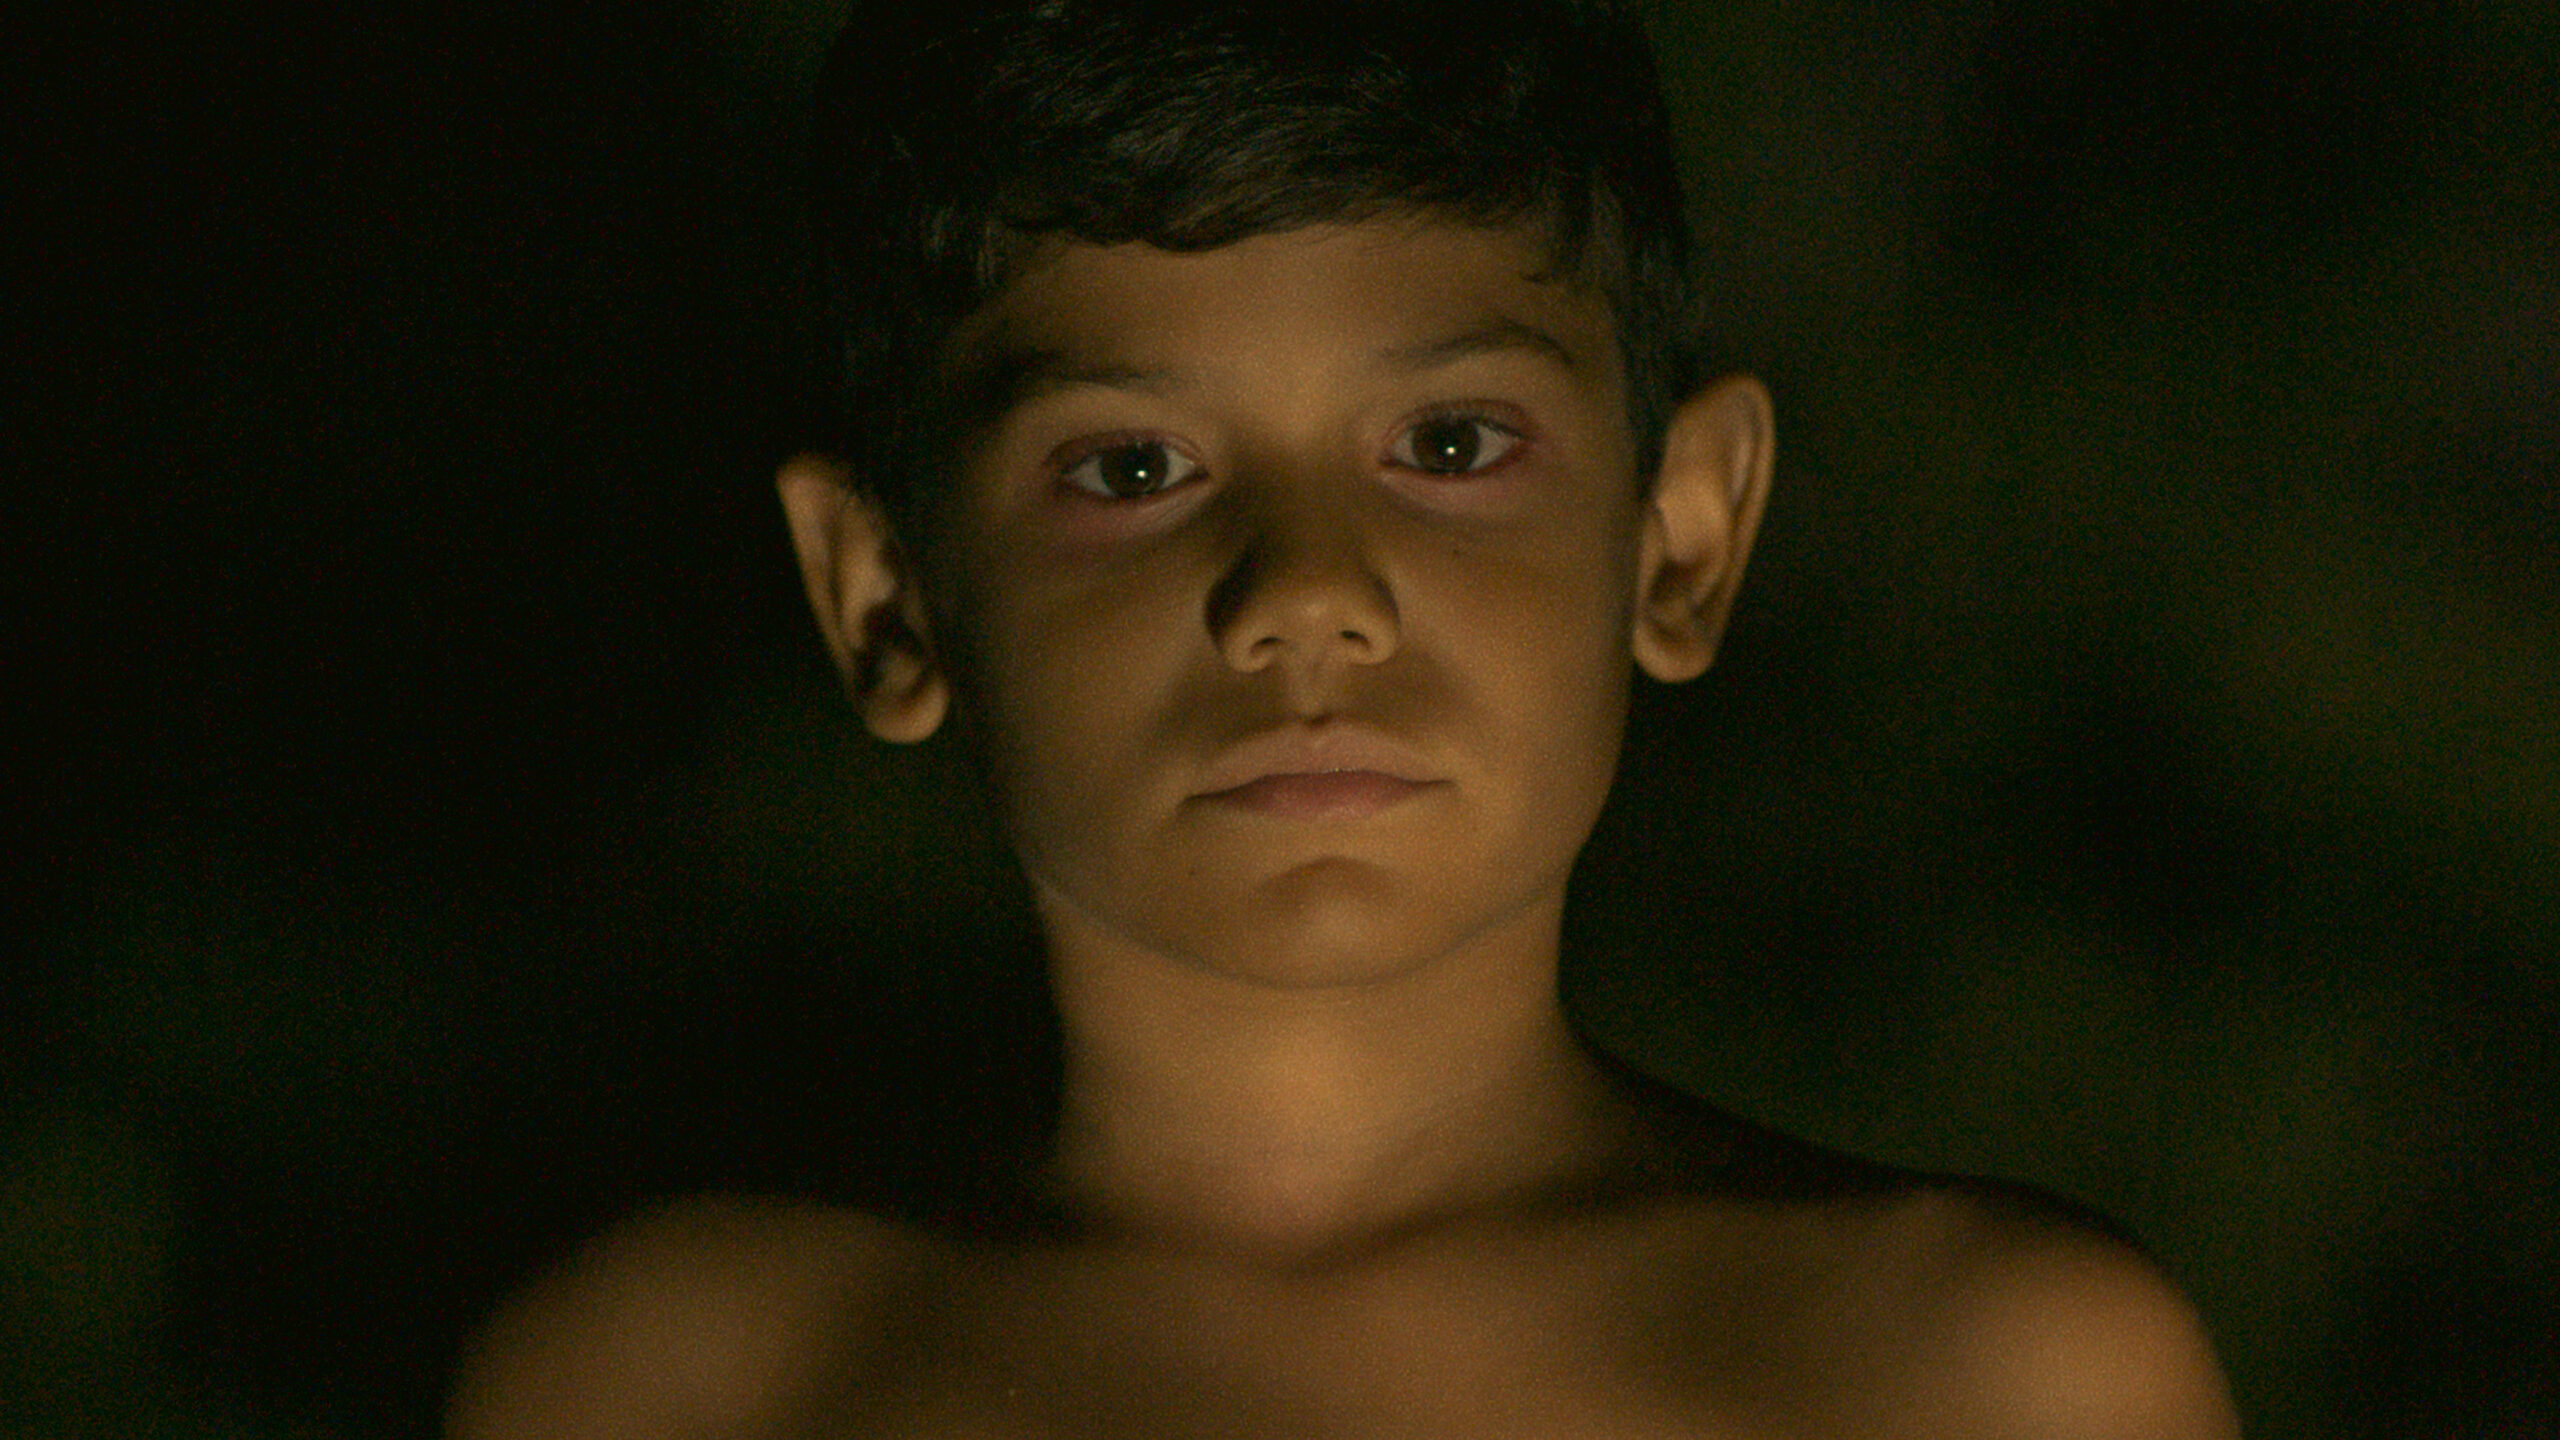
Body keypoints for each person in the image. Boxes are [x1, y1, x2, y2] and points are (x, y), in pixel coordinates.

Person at [448, 0, 2241, 1434]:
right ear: (885, 593)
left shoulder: (1984, 1377)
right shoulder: (689, 1384)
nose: (1307, 590)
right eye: (1132, 468)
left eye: (1448, 446)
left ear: (1683, 537)